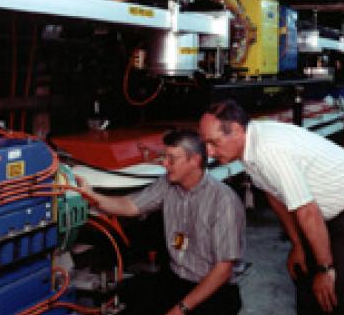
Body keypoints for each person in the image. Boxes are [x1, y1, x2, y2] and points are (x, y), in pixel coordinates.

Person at [199, 99, 344, 315]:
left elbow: (307, 212)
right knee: (305, 278)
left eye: (213, 143)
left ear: (235, 130)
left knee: (337, 291)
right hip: (331, 213)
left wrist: (325, 269)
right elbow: (275, 195)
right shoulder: (248, 146)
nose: (209, 152)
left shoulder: (269, 150)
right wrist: (298, 244)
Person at [78, 129, 245, 315]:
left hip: (214, 289)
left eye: (172, 159)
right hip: (177, 279)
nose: (165, 164)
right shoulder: (168, 184)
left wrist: (179, 309)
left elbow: (223, 269)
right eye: (164, 158)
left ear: (195, 160)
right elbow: (130, 206)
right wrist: (91, 196)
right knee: (126, 295)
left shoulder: (223, 201)